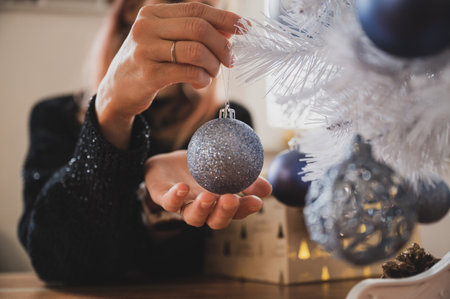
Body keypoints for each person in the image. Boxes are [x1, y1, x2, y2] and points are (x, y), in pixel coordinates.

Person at [19, 0, 271, 284]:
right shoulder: (54, 117)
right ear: (128, 7)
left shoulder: (229, 130)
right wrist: (111, 113)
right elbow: (54, 258)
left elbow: (222, 256)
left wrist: (160, 214)